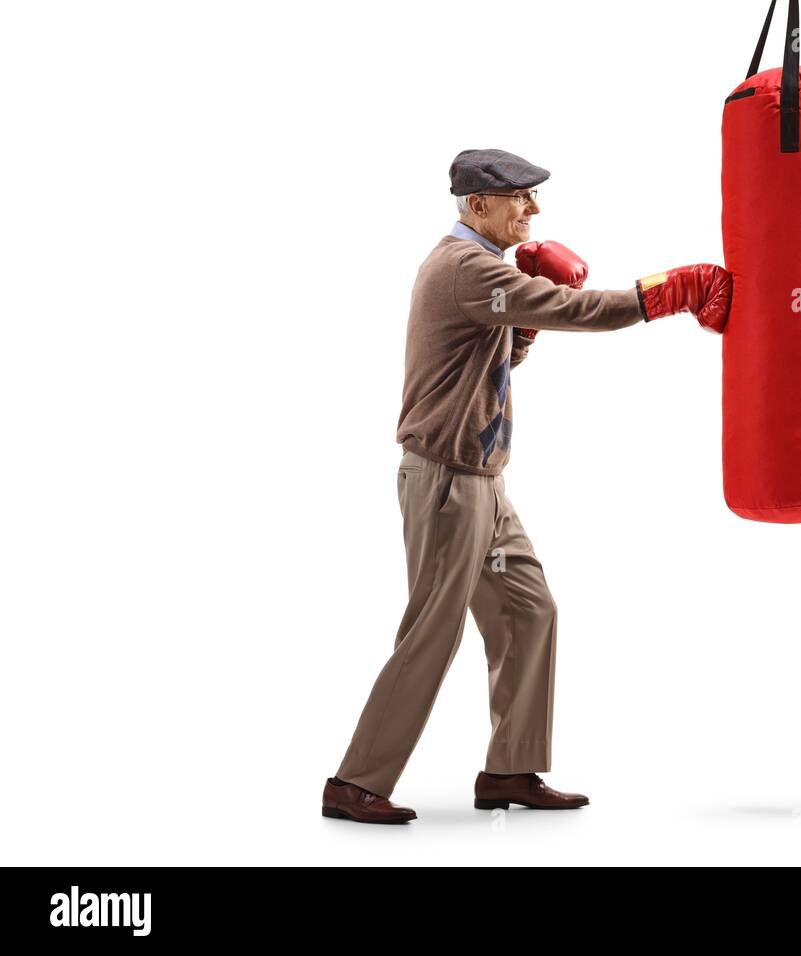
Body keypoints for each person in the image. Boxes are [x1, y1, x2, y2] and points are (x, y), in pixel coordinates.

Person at [322, 148, 732, 823]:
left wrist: (525, 329)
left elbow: (503, 353)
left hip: (483, 482)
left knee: (530, 608)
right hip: (447, 484)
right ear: (477, 206)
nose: (533, 210)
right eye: (519, 197)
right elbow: (579, 309)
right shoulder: (464, 268)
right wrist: (671, 291)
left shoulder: (483, 274)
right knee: (434, 631)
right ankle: (355, 783)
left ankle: (509, 769)